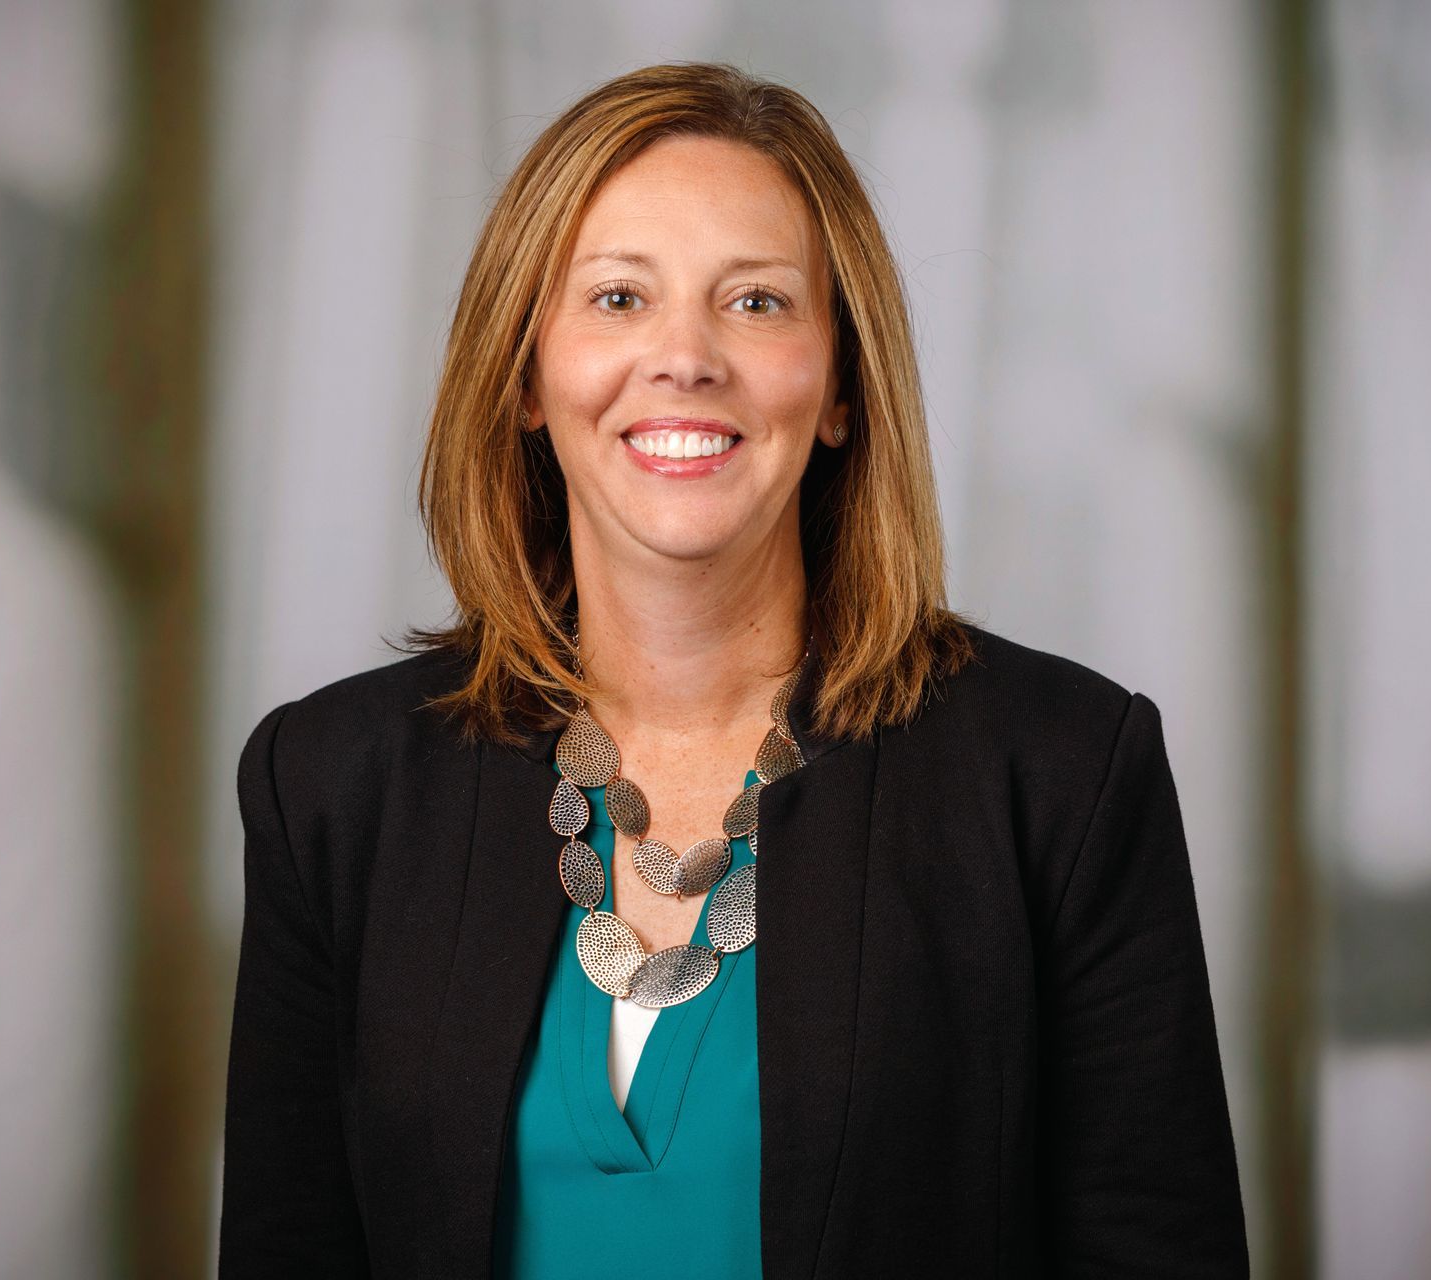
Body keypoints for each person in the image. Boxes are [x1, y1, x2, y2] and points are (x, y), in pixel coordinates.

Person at [219, 61, 1247, 1279]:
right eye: (616, 297)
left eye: (756, 302)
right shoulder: (330, 786)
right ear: (525, 378)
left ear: (842, 391)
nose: (685, 358)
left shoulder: (1064, 773)